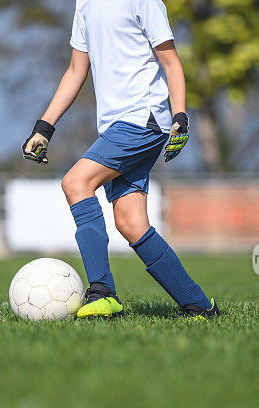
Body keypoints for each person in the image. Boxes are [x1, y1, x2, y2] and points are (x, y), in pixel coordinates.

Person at [21, 0, 220, 320]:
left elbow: (170, 62)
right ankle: (199, 306)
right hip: (114, 127)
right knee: (131, 222)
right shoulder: (84, 3)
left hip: (144, 121)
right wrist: (44, 128)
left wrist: (180, 114)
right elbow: (76, 70)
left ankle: (102, 291)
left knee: (76, 182)